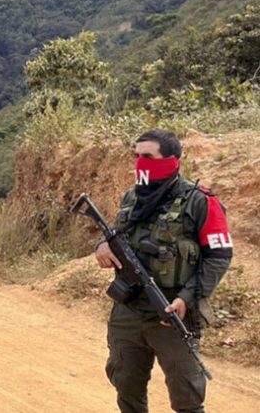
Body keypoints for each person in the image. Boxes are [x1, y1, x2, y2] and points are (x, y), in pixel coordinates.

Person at [95, 129, 232, 413]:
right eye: (136, 156)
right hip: (129, 311)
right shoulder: (131, 198)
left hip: (173, 312)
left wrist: (187, 298)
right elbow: (117, 235)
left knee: (187, 399)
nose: (140, 162)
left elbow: (218, 257)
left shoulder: (201, 201)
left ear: (171, 160)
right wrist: (101, 246)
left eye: (148, 156)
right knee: (127, 389)